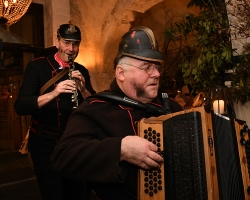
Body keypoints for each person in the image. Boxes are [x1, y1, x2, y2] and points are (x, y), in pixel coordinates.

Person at [51, 26, 182, 200]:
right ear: (121, 73)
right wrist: (120, 149)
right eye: (147, 67)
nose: (156, 74)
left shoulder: (171, 107)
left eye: (158, 67)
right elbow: (62, 157)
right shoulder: (95, 108)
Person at [14, 23, 96, 200]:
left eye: (75, 44)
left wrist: (83, 89)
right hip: (44, 145)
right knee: (53, 194)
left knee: (75, 193)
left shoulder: (82, 70)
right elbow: (21, 106)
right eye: (67, 43)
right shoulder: (37, 66)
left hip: (73, 143)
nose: (71, 49)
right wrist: (54, 93)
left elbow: (95, 107)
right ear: (57, 41)